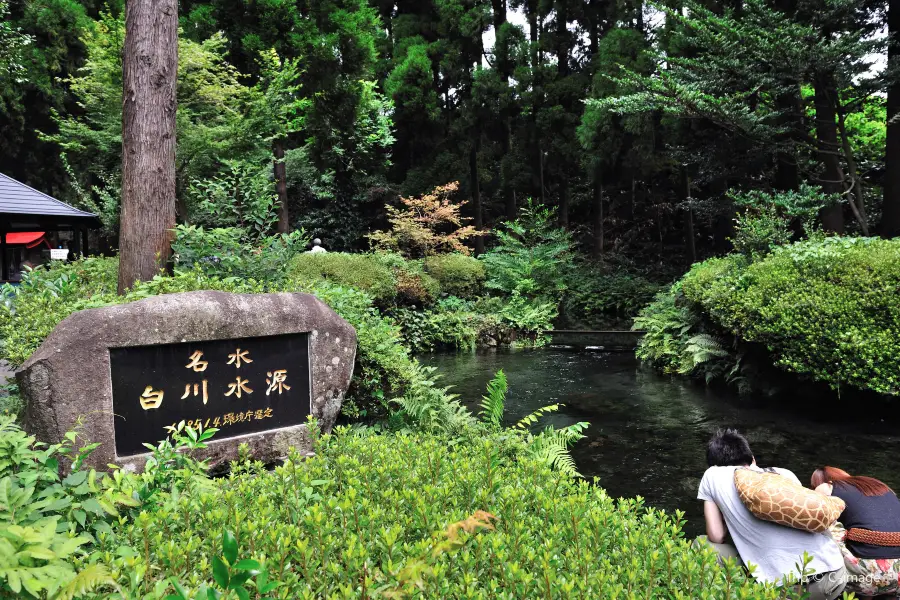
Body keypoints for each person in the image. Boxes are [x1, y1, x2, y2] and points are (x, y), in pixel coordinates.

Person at [697, 429, 846, 599]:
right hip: (836, 575)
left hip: (791, 589)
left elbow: (716, 536)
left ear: (713, 464)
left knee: (702, 544)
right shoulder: (784, 473)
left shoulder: (712, 475)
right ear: (752, 459)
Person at [811, 466, 900, 599]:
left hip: (867, 579)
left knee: (822, 523)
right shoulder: (878, 486)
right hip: (898, 577)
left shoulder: (825, 488)